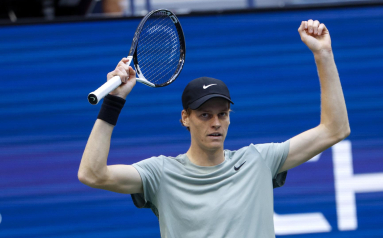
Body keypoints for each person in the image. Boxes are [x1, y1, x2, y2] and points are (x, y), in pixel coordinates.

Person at [79, 20, 350, 237]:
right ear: (185, 118)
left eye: (222, 114)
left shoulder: (258, 161)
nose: (216, 123)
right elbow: (92, 174)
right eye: (205, 115)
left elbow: (334, 129)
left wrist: (323, 53)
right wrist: (114, 102)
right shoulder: (160, 174)